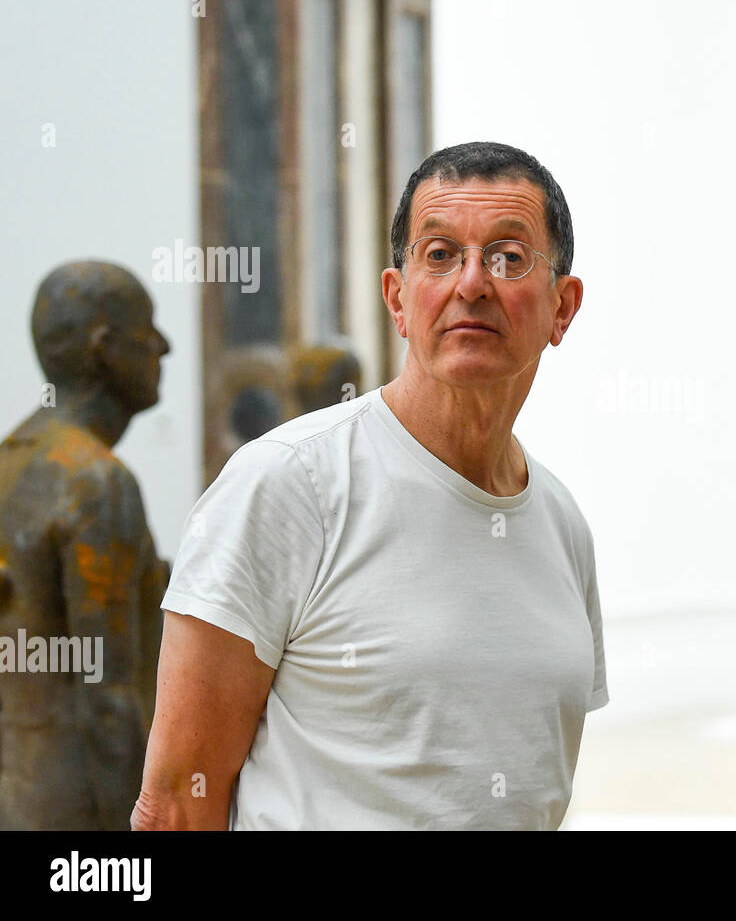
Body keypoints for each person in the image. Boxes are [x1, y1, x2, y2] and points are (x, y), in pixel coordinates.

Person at [133, 142, 607, 830]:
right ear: (398, 299)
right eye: (440, 254)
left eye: (507, 257)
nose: (472, 282)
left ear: (563, 306)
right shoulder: (287, 485)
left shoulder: (563, 525)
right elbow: (175, 804)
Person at [0, 261, 171, 829]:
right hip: (77, 817)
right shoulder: (96, 481)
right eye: (147, 330)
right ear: (104, 348)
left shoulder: (12, 462)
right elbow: (108, 700)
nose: (164, 347)